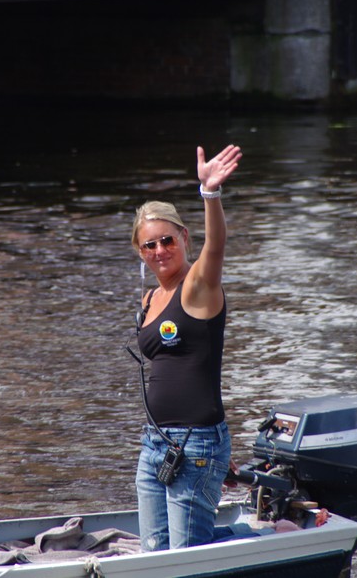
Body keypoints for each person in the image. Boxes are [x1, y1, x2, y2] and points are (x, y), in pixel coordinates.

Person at [130, 144, 242, 552]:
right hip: (155, 442)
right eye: (149, 245)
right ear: (140, 252)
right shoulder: (149, 299)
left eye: (167, 240)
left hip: (195, 444)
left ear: (183, 238)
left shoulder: (197, 286)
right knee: (153, 554)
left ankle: (266, 538)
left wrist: (209, 194)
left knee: (186, 557)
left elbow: (216, 247)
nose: (160, 250)